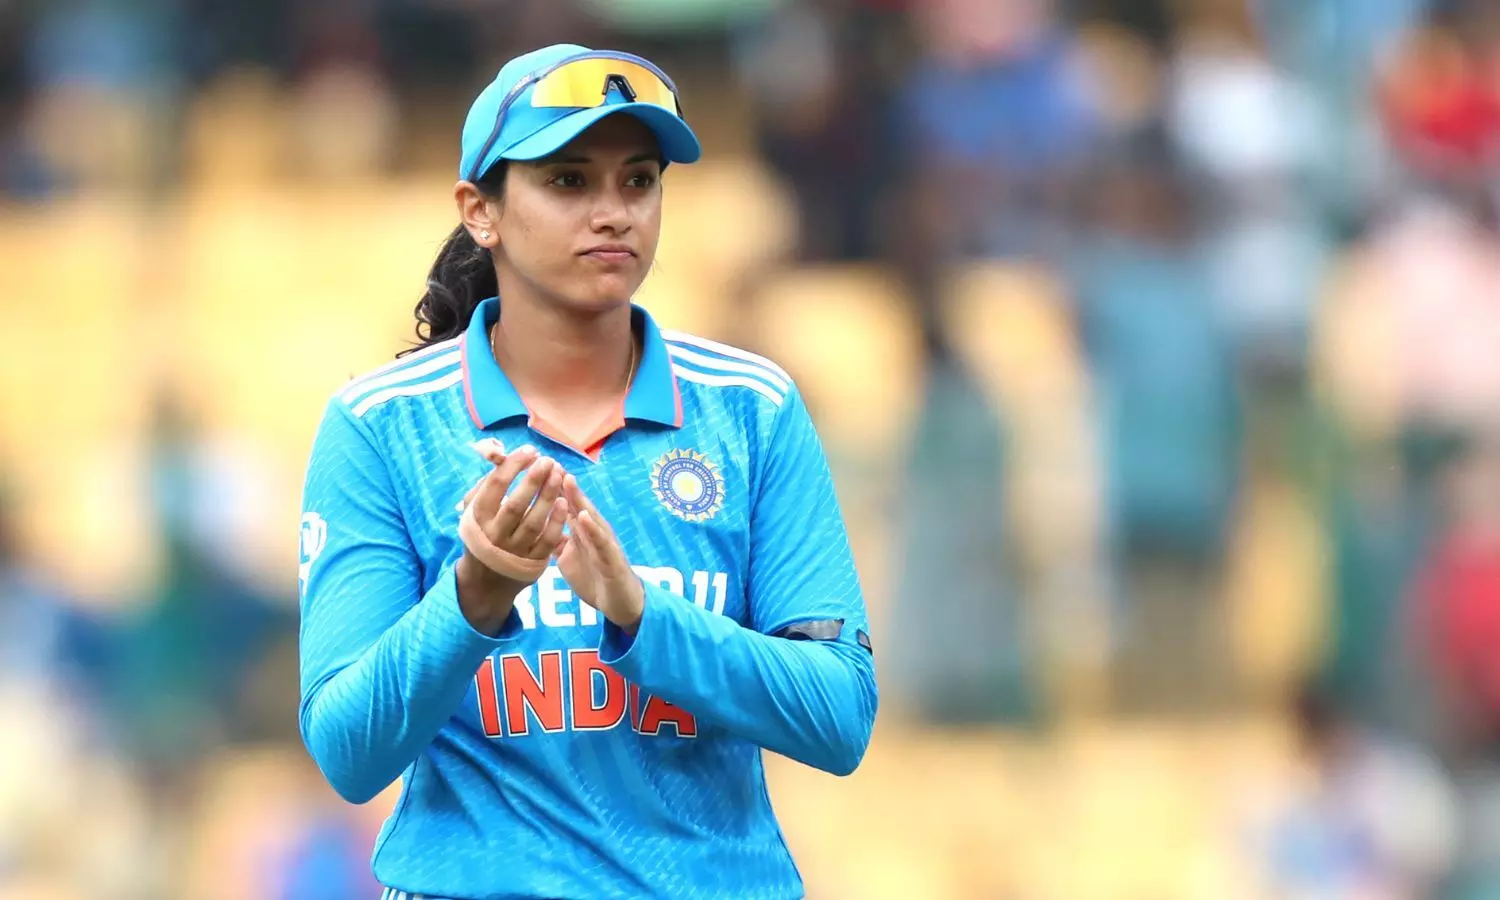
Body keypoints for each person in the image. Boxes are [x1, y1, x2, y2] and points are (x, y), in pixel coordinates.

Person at [296, 43, 877, 899]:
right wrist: (475, 594)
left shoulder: (753, 410)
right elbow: (348, 753)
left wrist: (640, 613)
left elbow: (838, 715)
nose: (614, 214)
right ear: (480, 211)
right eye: (568, 181)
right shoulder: (381, 427)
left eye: (638, 181)